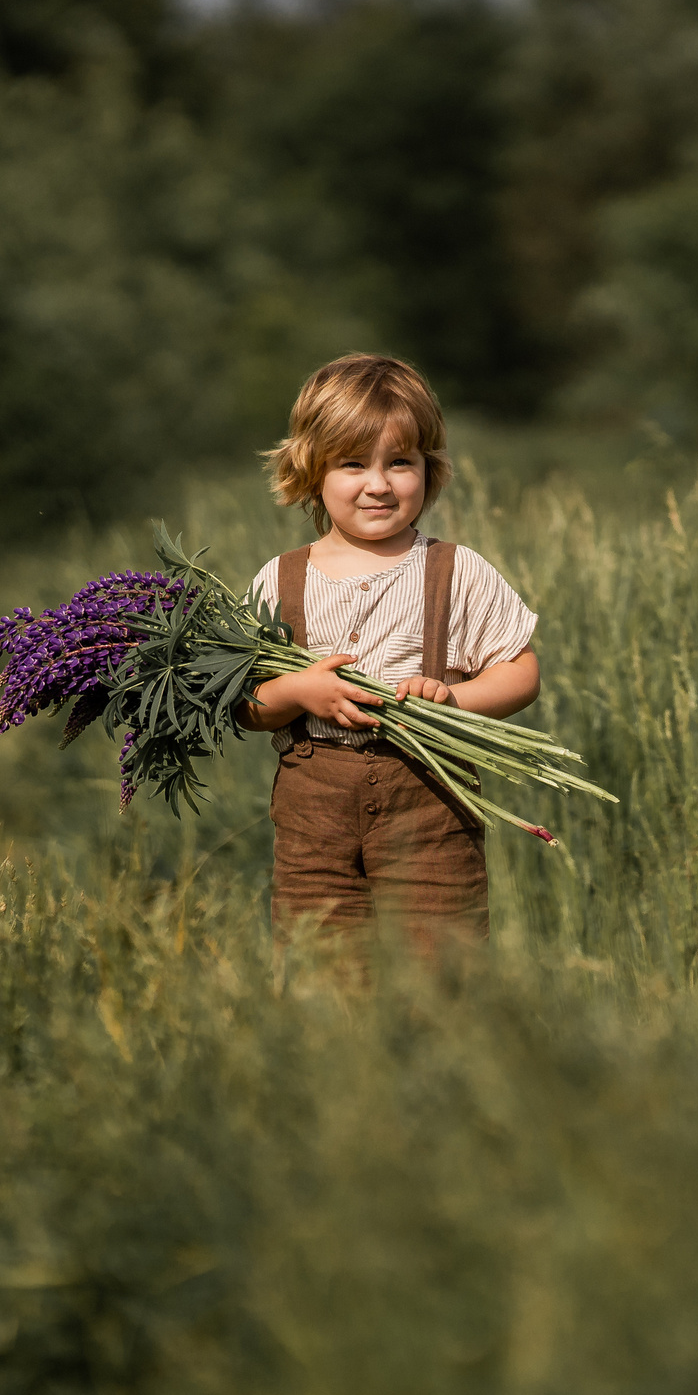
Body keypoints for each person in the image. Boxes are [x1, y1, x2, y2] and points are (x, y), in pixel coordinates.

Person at [236, 354, 540, 955]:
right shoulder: (280, 580)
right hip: (314, 817)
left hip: (431, 801)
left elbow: (521, 670)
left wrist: (453, 699)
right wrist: (297, 691)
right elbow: (246, 705)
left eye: (399, 462)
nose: (378, 484)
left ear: (428, 469)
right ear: (312, 470)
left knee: (440, 968)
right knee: (322, 970)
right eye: (353, 464)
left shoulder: (455, 571)